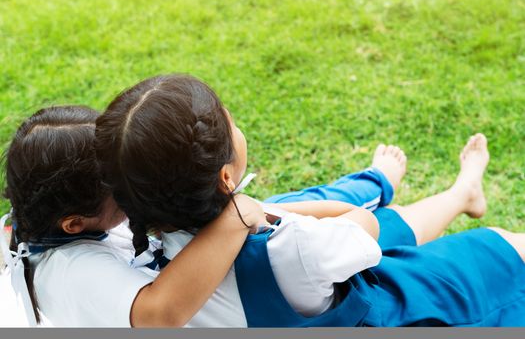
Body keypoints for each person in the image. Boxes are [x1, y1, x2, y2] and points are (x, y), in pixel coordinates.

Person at [95, 73, 525, 327]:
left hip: (311, 277)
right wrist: (260, 211)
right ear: (226, 176)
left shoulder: (142, 268)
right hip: (391, 311)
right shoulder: (292, 245)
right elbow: (365, 225)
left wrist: (246, 211)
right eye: (233, 124)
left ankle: (455, 191)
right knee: (500, 249)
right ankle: (458, 193)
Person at [2, 105, 270, 327]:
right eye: (122, 189)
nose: (136, 189)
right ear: (74, 223)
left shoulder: (63, 222)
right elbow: (157, 316)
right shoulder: (71, 271)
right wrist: (237, 217)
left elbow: (258, 213)